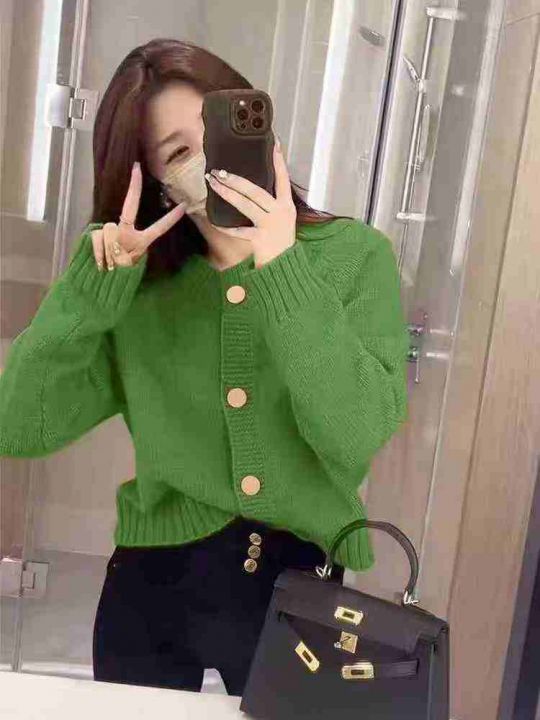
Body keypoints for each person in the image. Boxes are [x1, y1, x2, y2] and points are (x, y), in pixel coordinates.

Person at [0, 39, 410, 695]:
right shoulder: (141, 289)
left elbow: (355, 433)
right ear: (156, 184)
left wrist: (280, 263)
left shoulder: (354, 257)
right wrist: (88, 293)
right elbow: (19, 426)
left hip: (296, 592)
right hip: (149, 591)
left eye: (216, 128)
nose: (211, 160)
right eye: (178, 153)